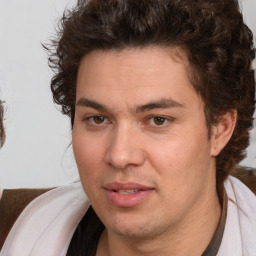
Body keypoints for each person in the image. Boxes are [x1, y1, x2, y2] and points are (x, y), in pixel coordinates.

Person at [1, 0, 256, 255]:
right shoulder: (35, 231)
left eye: (158, 120)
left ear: (220, 129)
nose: (120, 155)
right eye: (98, 119)